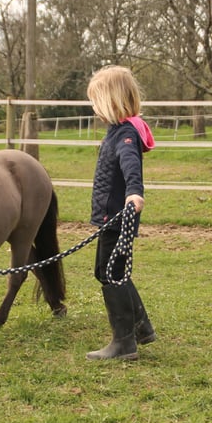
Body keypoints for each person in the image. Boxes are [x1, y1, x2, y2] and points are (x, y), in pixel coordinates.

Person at [85, 65, 157, 361]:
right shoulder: (117, 131)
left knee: (110, 272)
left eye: (96, 102)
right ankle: (141, 326)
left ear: (110, 101)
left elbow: (131, 166)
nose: (94, 109)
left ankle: (124, 342)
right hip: (110, 217)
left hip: (117, 216)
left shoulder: (125, 135)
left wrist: (134, 193)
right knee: (109, 271)